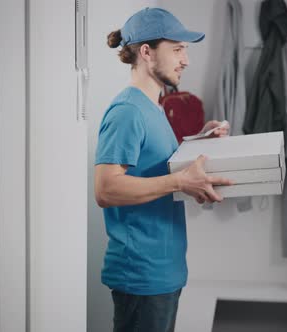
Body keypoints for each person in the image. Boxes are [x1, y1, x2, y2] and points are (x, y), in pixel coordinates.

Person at [94, 7, 233, 332]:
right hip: (141, 274)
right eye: (177, 49)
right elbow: (105, 189)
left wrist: (200, 141)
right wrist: (180, 181)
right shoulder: (128, 111)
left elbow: (154, 166)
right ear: (146, 52)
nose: (185, 59)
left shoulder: (154, 108)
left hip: (164, 270)